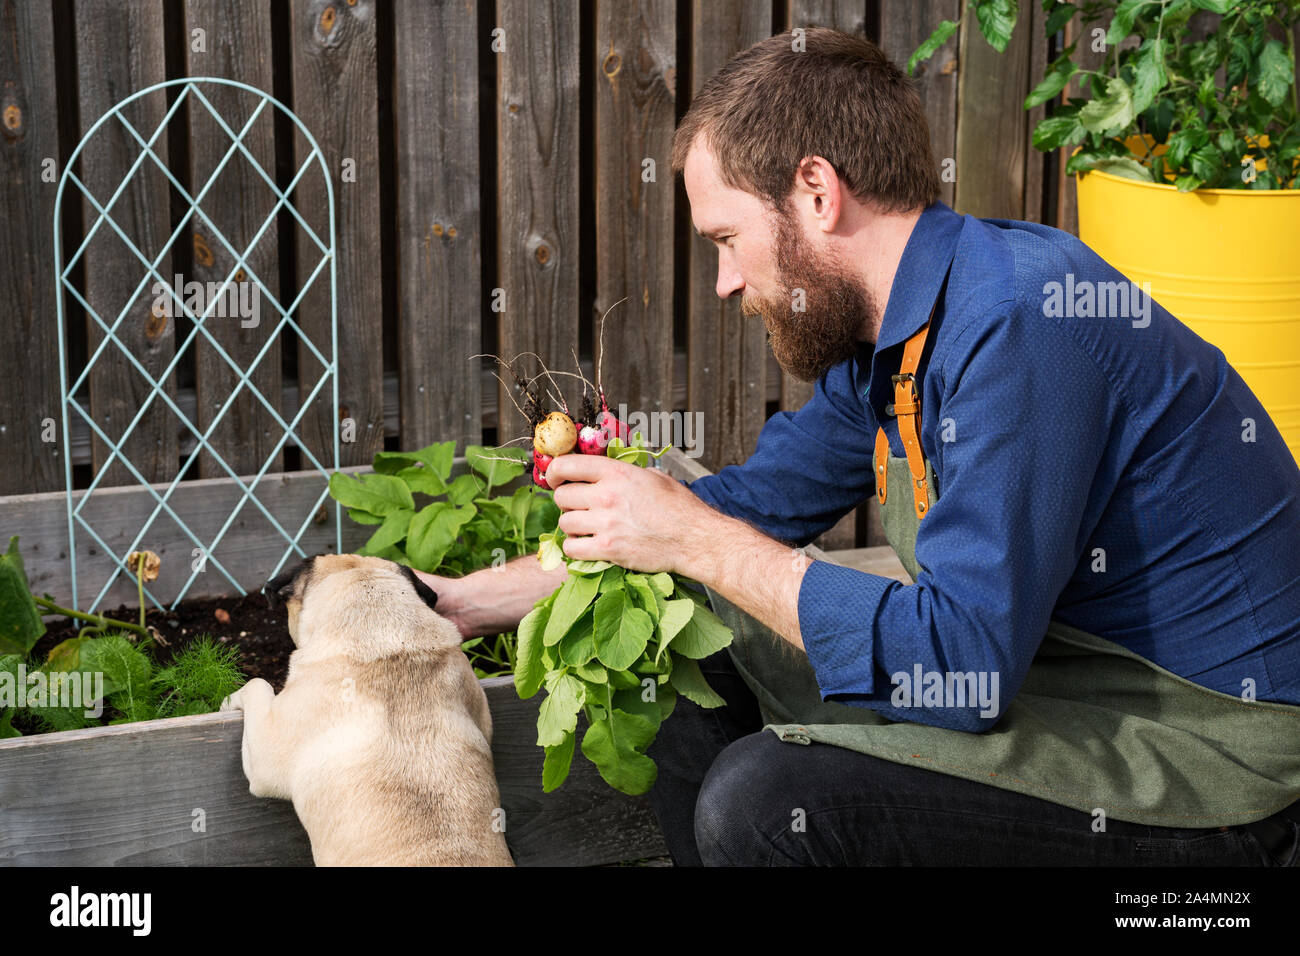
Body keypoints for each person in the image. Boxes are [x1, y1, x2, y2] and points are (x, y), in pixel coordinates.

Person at [418, 28, 1300, 866]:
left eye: (727, 239)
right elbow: (741, 507)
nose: (726, 282)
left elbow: (963, 667)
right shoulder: (900, 334)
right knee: (683, 627)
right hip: (1065, 685)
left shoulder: (1021, 322)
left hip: (1211, 757)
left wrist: (694, 540)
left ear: (815, 190)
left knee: (765, 803)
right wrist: (473, 601)